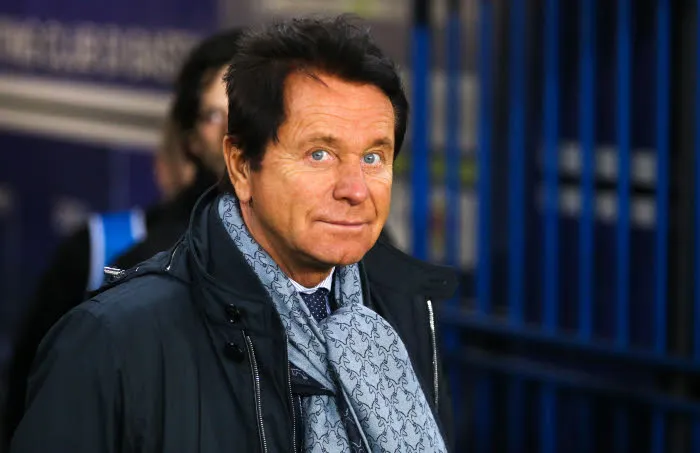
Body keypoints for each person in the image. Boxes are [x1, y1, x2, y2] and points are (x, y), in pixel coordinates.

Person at [9, 16, 456, 452]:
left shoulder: (408, 314)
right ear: (241, 166)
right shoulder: (113, 340)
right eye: (319, 154)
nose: (355, 189)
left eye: (373, 158)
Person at [2, 27, 244, 447]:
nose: (234, 130)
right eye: (215, 114)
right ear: (189, 137)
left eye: (248, 110)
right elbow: (35, 407)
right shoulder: (108, 250)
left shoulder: (330, 257)